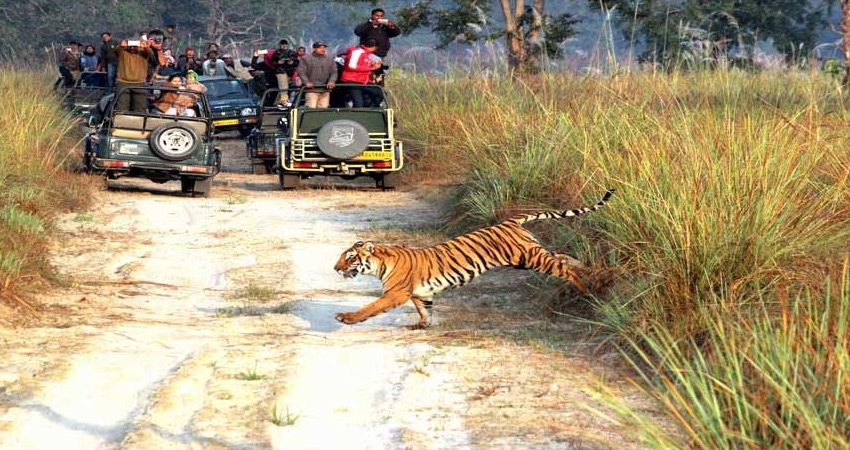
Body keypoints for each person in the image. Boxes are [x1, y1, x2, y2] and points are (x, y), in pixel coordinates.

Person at [340, 39, 382, 107]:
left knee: (379, 93)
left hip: (363, 82)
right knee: (358, 103)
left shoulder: (367, 55)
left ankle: (372, 109)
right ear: (374, 47)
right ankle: (357, 115)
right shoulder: (357, 52)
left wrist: (373, 65)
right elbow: (351, 65)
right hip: (353, 81)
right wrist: (371, 68)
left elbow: (362, 66)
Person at [115, 39, 153, 112]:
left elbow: (150, 53)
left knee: (140, 108)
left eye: (135, 46)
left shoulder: (143, 53)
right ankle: (120, 123)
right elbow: (116, 51)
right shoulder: (122, 52)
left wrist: (145, 47)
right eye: (131, 45)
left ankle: (138, 123)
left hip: (140, 83)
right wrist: (121, 45)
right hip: (123, 82)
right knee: (121, 108)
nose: (132, 47)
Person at [299, 42, 337, 108]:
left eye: (324, 47)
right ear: (314, 49)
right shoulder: (305, 59)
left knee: (323, 110)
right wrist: (306, 82)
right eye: (320, 48)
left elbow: (334, 72)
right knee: (311, 108)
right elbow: (301, 72)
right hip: (311, 90)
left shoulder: (330, 59)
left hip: (325, 89)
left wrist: (332, 81)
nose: (323, 49)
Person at [268, 39, 298, 106]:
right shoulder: (276, 53)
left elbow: (296, 62)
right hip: (280, 71)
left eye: (285, 44)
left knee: (285, 86)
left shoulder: (291, 52)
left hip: (289, 72)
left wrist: (292, 62)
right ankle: (284, 101)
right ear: (280, 45)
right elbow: (272, 62)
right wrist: (278, 62)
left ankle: (278, 101)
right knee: (283, 87)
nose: (284, 46)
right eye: (282, 44)